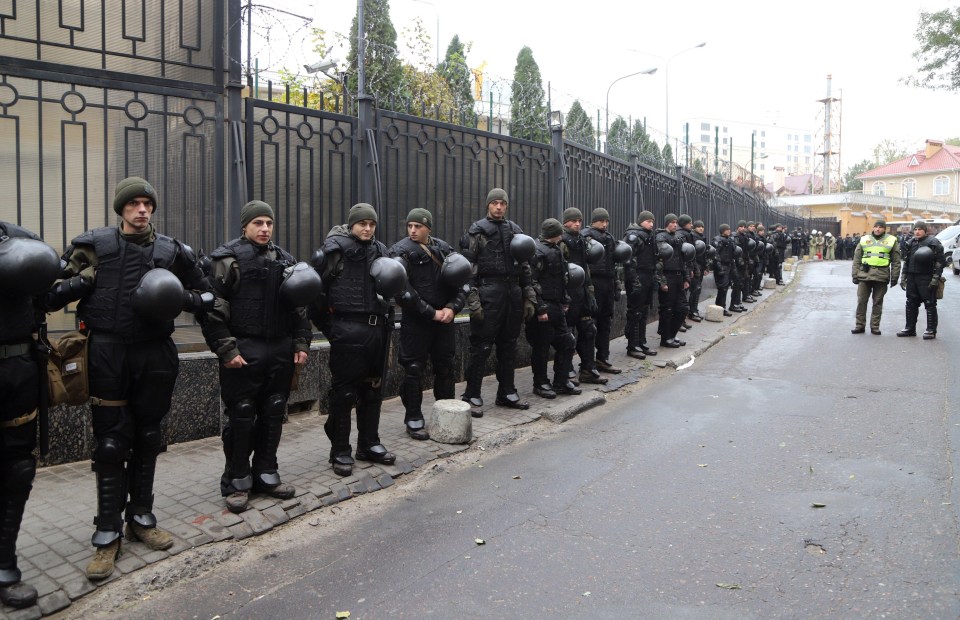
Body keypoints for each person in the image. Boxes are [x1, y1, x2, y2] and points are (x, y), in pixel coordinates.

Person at [44, 176, 212, 580]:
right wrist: (80, 283)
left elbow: (208, 296)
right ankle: (106, 534)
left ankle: (142, 518)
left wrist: (178, 299)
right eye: (133, 204)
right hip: (107, 352)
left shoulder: (173, 251)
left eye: (147, 204)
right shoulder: (93, 247)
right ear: (120, 209)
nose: (142, 210)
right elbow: (48, 295)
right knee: (110, 442)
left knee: (149, 436)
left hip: (154, 351)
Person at [202, 200, 311, 513]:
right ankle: (237, 479)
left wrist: (301, 343)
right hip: (243, 349)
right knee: (242, 413)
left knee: (274, 410)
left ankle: (266, 472)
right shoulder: (227, 259)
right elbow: (212, 309)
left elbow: (300, 307)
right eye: (258, 223)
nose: (265, 229)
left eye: (269, 223)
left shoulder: (286, 260)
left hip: (278, 349)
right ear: (245, 226)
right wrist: (227, 349)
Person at [311, 203, 402, 476]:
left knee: (372, 390)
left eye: (372, 224)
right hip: (347, 331)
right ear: (351, 225)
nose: (368, 228)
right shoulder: (333, 252)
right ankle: (340, 450)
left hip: (377, 331)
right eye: (362, 223)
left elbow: (394, 287)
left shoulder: (382, 251)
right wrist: (332, 329)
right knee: (345, 393)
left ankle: (369, 443)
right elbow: (315, 295)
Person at [0, 223, 59, 609]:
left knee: (19, 468)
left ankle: (4, 566)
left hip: (17, 369)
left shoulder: (19, 239)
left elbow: (47, 296)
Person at [388, 208, 465, 440]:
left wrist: (453, 308)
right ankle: (413, 417)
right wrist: (431, 313)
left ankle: (446, 415)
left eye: (418, 227)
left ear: (428, 228)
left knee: (445, 367)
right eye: (409, 226)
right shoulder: (400, 251)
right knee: (413, 369)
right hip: (417, 322)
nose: (412, 230)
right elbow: (402, 291)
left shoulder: (442, 248)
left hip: (444, 320)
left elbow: (461, 281)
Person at [460, 189, 538, 411]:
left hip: (512, 292)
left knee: (509, 346)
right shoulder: (477, 231)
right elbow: (467, 268)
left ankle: (506, 392)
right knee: (482, 346)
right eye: (494, 203)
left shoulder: (515, 230)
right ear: (488, 205)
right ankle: (471, 394)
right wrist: (473, 299)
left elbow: (524, 266)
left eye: (502, 203)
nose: (499, 207)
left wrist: (528, 296)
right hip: (488, 292)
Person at [525, 219, 581, 399]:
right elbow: (531, 282)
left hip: (556, 305)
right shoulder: (537, 252)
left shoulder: (556, 249)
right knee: (541, 348)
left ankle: (561, 381)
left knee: (567, 342)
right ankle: (540, 383)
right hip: (544, 307)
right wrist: (540, 308)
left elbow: (561, 278)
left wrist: (564, 300)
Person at [560, 208, 607, 385]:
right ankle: (567, 370)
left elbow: (585, 267)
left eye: (579, 220)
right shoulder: (562, 241)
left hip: (582, 292)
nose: (577, 224)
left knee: (589, 329)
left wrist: (590, 290)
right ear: (565, 222)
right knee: (567, 333)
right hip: (568, 292)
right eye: (573, 220)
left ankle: (588, 369)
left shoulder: (581, 240)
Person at [582, 208, 623, 373]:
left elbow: (614, 265)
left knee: (606, 323)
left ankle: (602, 358)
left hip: (608, 283)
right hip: (594, 284)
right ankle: (588, 362)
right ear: (594, 221)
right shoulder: (586, 236)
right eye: (601, 221)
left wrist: (617, 285)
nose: (604, 224)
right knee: (590, 325)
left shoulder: (609, 238)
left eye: (606, 221)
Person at [851, 220, 900, 336]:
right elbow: (857, 258)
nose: (877, 229)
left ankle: (875, 326)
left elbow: (896, 261)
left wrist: (894, 277)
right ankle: (859, 325)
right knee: (861, 301)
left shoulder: (892, 240)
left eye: (880, 227)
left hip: (881, 276)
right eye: (876, 227)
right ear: (873, 228)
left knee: (877, 302)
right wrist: (855, 274)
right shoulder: (864, 239)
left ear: (884, 229)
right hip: (864, 275)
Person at [897, 221, 945, 340]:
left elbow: (940, 262)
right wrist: (903, 276)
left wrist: (935, 278)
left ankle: (930, 330)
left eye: (919, 229)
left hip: (926, 277)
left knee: (930, 304)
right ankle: (910, 328)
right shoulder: (910, 242)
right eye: (915, 229)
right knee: (911, 303)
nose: (917, 232)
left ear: (925, 230)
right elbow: (906, 261)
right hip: (912, 277)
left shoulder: (933, 243)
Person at [623, 211, 659, 357]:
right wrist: (634, 279)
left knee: (644, 311)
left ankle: (641, 342)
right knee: (635, 312)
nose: (651, 224)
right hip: (637, 277)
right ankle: (632, 345)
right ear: (641, 221)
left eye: (652, 221)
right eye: (648, 221)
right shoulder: (634, 236)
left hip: (648, 276)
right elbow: (628, 260)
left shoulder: (650, 236)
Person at [655, 213, 689, 348]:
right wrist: (662, 281)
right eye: (672, 222)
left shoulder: (679, 238)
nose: (675, 224)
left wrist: (686, 277)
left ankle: (672, 334)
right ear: (667, 223)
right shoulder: (661, 237)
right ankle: (665, 338)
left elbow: (683, 259)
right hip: (667, 276)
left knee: (682, 308)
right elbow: (658, 261)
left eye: (676, 222)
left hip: (678, 276)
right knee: (667, 309)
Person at [678, 215, 702, 324]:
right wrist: (688, 270)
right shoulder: (681, 235)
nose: (691, 225)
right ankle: (680, 320)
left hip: (690, 266)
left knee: (696, 289)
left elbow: (693, 254)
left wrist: (693, 268)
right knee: (682, 295)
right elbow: (684, 256)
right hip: (683, 268)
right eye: (689, 223)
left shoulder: (689, 234)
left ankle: (691, 312)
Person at [711, 224, 736, 316]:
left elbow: (732, 253)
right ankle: (720, 307)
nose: (729, 231)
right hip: (721, 266)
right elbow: (715, 255)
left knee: (725, 288)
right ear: (722, 231)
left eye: (729, 229)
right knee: (722, 288)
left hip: (728, 266)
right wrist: (719, 268)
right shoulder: (717, 240)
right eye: (727, 229)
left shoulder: (730, 240)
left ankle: (722, 307)